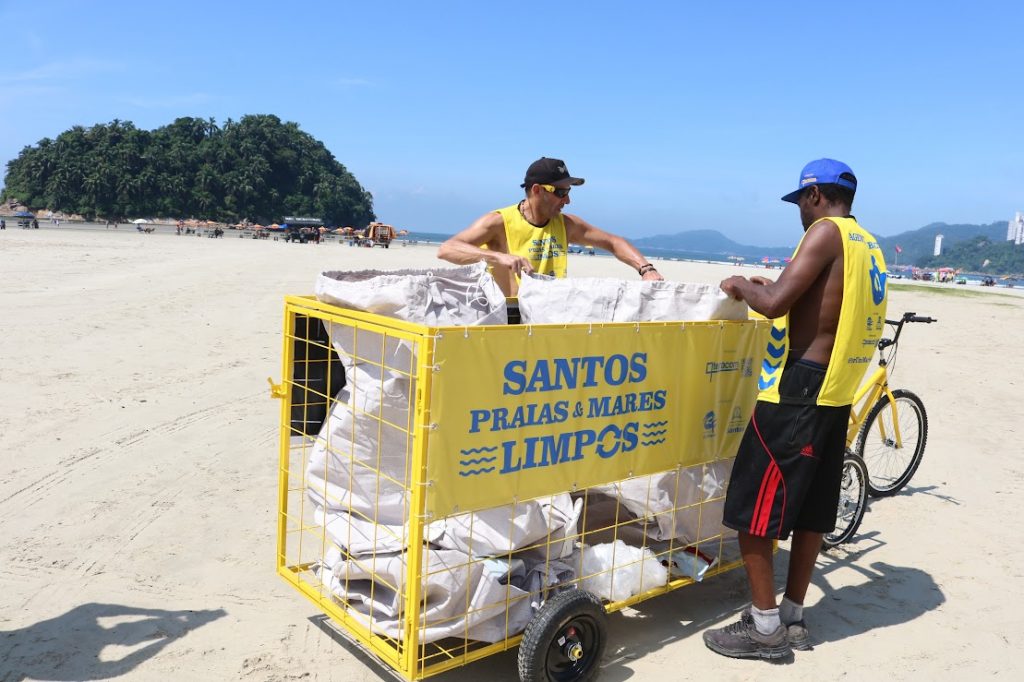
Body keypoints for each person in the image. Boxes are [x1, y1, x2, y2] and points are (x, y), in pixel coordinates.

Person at [703, 159, 888, 660]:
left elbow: (777, 304)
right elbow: (815, 302)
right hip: (837, 388)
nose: (799, 216)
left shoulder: (825, 232)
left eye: (799, 205)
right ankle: (792, 616)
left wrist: (741, 286)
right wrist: (771, 286)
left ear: (814, 197)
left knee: (752, 508)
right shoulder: (865, 243)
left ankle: (765, 631)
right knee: (810, 512)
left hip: (800, 388)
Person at [437, 157, 664, 296]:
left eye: (569, 192)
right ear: (537, 190)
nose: (567, 200)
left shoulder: (566, 225)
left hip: (549, 314)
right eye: (561, 192)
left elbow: (613, 242)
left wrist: (646, 269)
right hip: (507, 319)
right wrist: (495, 256)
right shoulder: (498, 221)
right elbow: (447, 249)